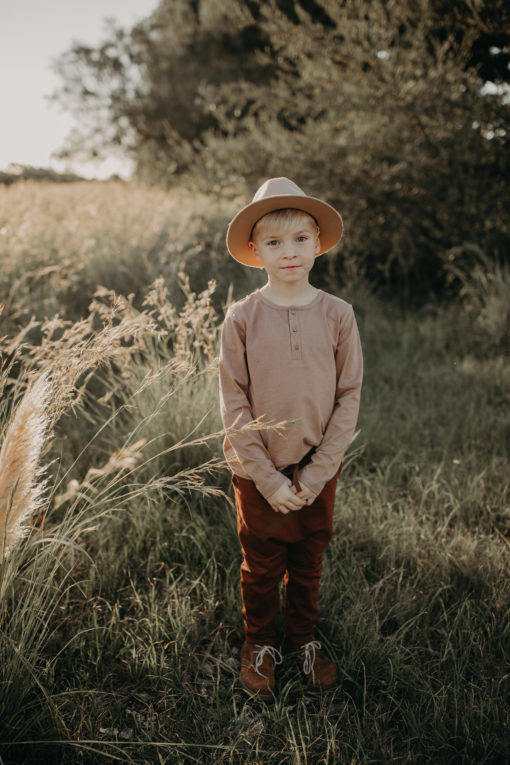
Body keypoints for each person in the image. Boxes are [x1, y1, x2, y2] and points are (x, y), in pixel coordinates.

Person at [219, 177, 363, 697]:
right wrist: (266, 478)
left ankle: (302, 636)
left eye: (301, 239)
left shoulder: (337, 314)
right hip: (256, 471)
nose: (289, 253)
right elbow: (232, 403)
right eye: (275, 243)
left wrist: (318, 470)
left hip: (317, 468)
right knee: (261, 565)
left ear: (318, 243)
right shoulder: (241, 319)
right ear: (255, 251)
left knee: (308, 558)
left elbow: (350, 397)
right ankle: (259, 641)